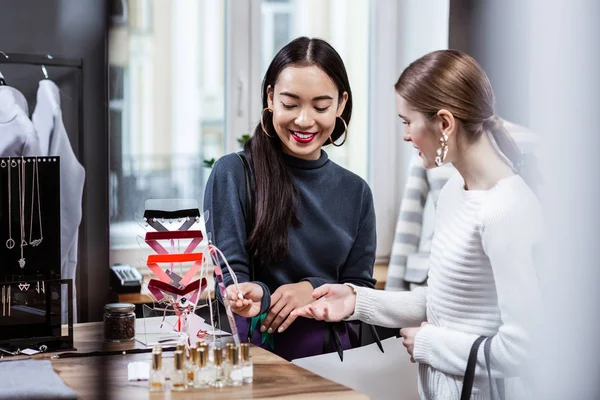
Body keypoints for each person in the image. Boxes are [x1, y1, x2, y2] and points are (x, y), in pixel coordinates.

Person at [293, 50, 542, 399]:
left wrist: (428, 342)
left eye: (407, 121)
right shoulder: (455, 191)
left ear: (444, 123)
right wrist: (355, 301)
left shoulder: (505, 211)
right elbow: (443, 303)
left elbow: (522, 351)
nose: (406, 135)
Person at [203, 37, 376, 361]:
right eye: (290, 103)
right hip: (255, 358)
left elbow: (360, 292)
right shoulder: (233, 173)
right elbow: (230, 278)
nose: (304, 120)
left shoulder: (357, 192)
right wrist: (251, 295)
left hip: (333, 363)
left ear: (340, 105)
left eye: (321, 106)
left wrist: (311, 290)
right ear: (270, 98)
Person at [385, 120, 538, 291]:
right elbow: (409, 221)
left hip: (493, 276)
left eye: (409, 120)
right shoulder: (428, 145)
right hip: (429, 278)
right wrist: (393, 290)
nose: (406, 135)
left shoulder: (529, 141)